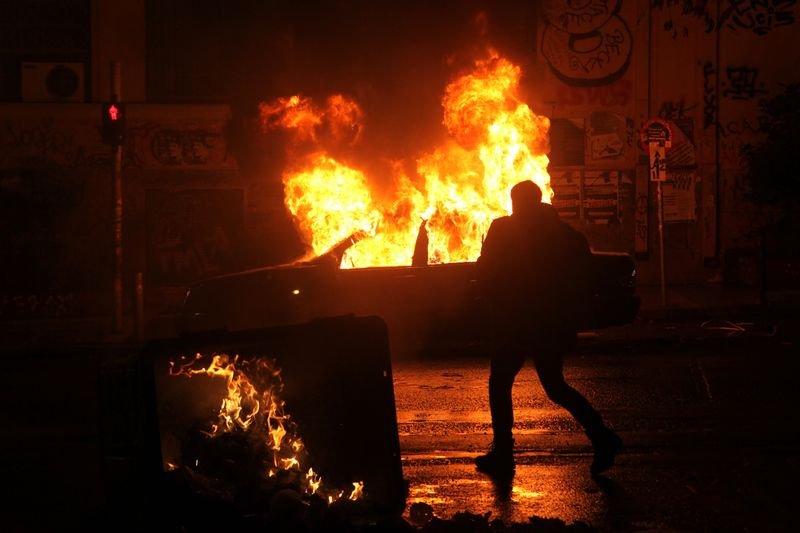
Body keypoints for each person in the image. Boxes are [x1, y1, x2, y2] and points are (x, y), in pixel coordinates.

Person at [475, 180, 622, 477]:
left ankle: (504, 452)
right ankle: (602, 436)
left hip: (514, 321)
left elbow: (486, 270)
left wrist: (491, 302)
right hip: (548, 323)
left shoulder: (503, 229)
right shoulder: (564, 234)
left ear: (516, 202)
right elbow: (584, 275)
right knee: (555, 386)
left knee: (501, 384)